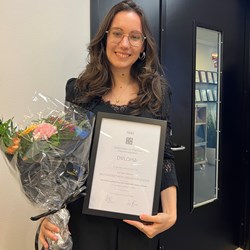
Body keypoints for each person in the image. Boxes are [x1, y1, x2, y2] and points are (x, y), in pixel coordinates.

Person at [39, 1, 178, 249]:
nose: (125, 44)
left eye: (134, 37)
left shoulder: (158, 93)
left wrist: (171, 212)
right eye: (117, 33)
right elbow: (66, 158)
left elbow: (165, 155)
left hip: (138, 221)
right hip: (86, 219)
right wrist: (51, 215)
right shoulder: (79, 90)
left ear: (143, 45)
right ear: (104, 38)